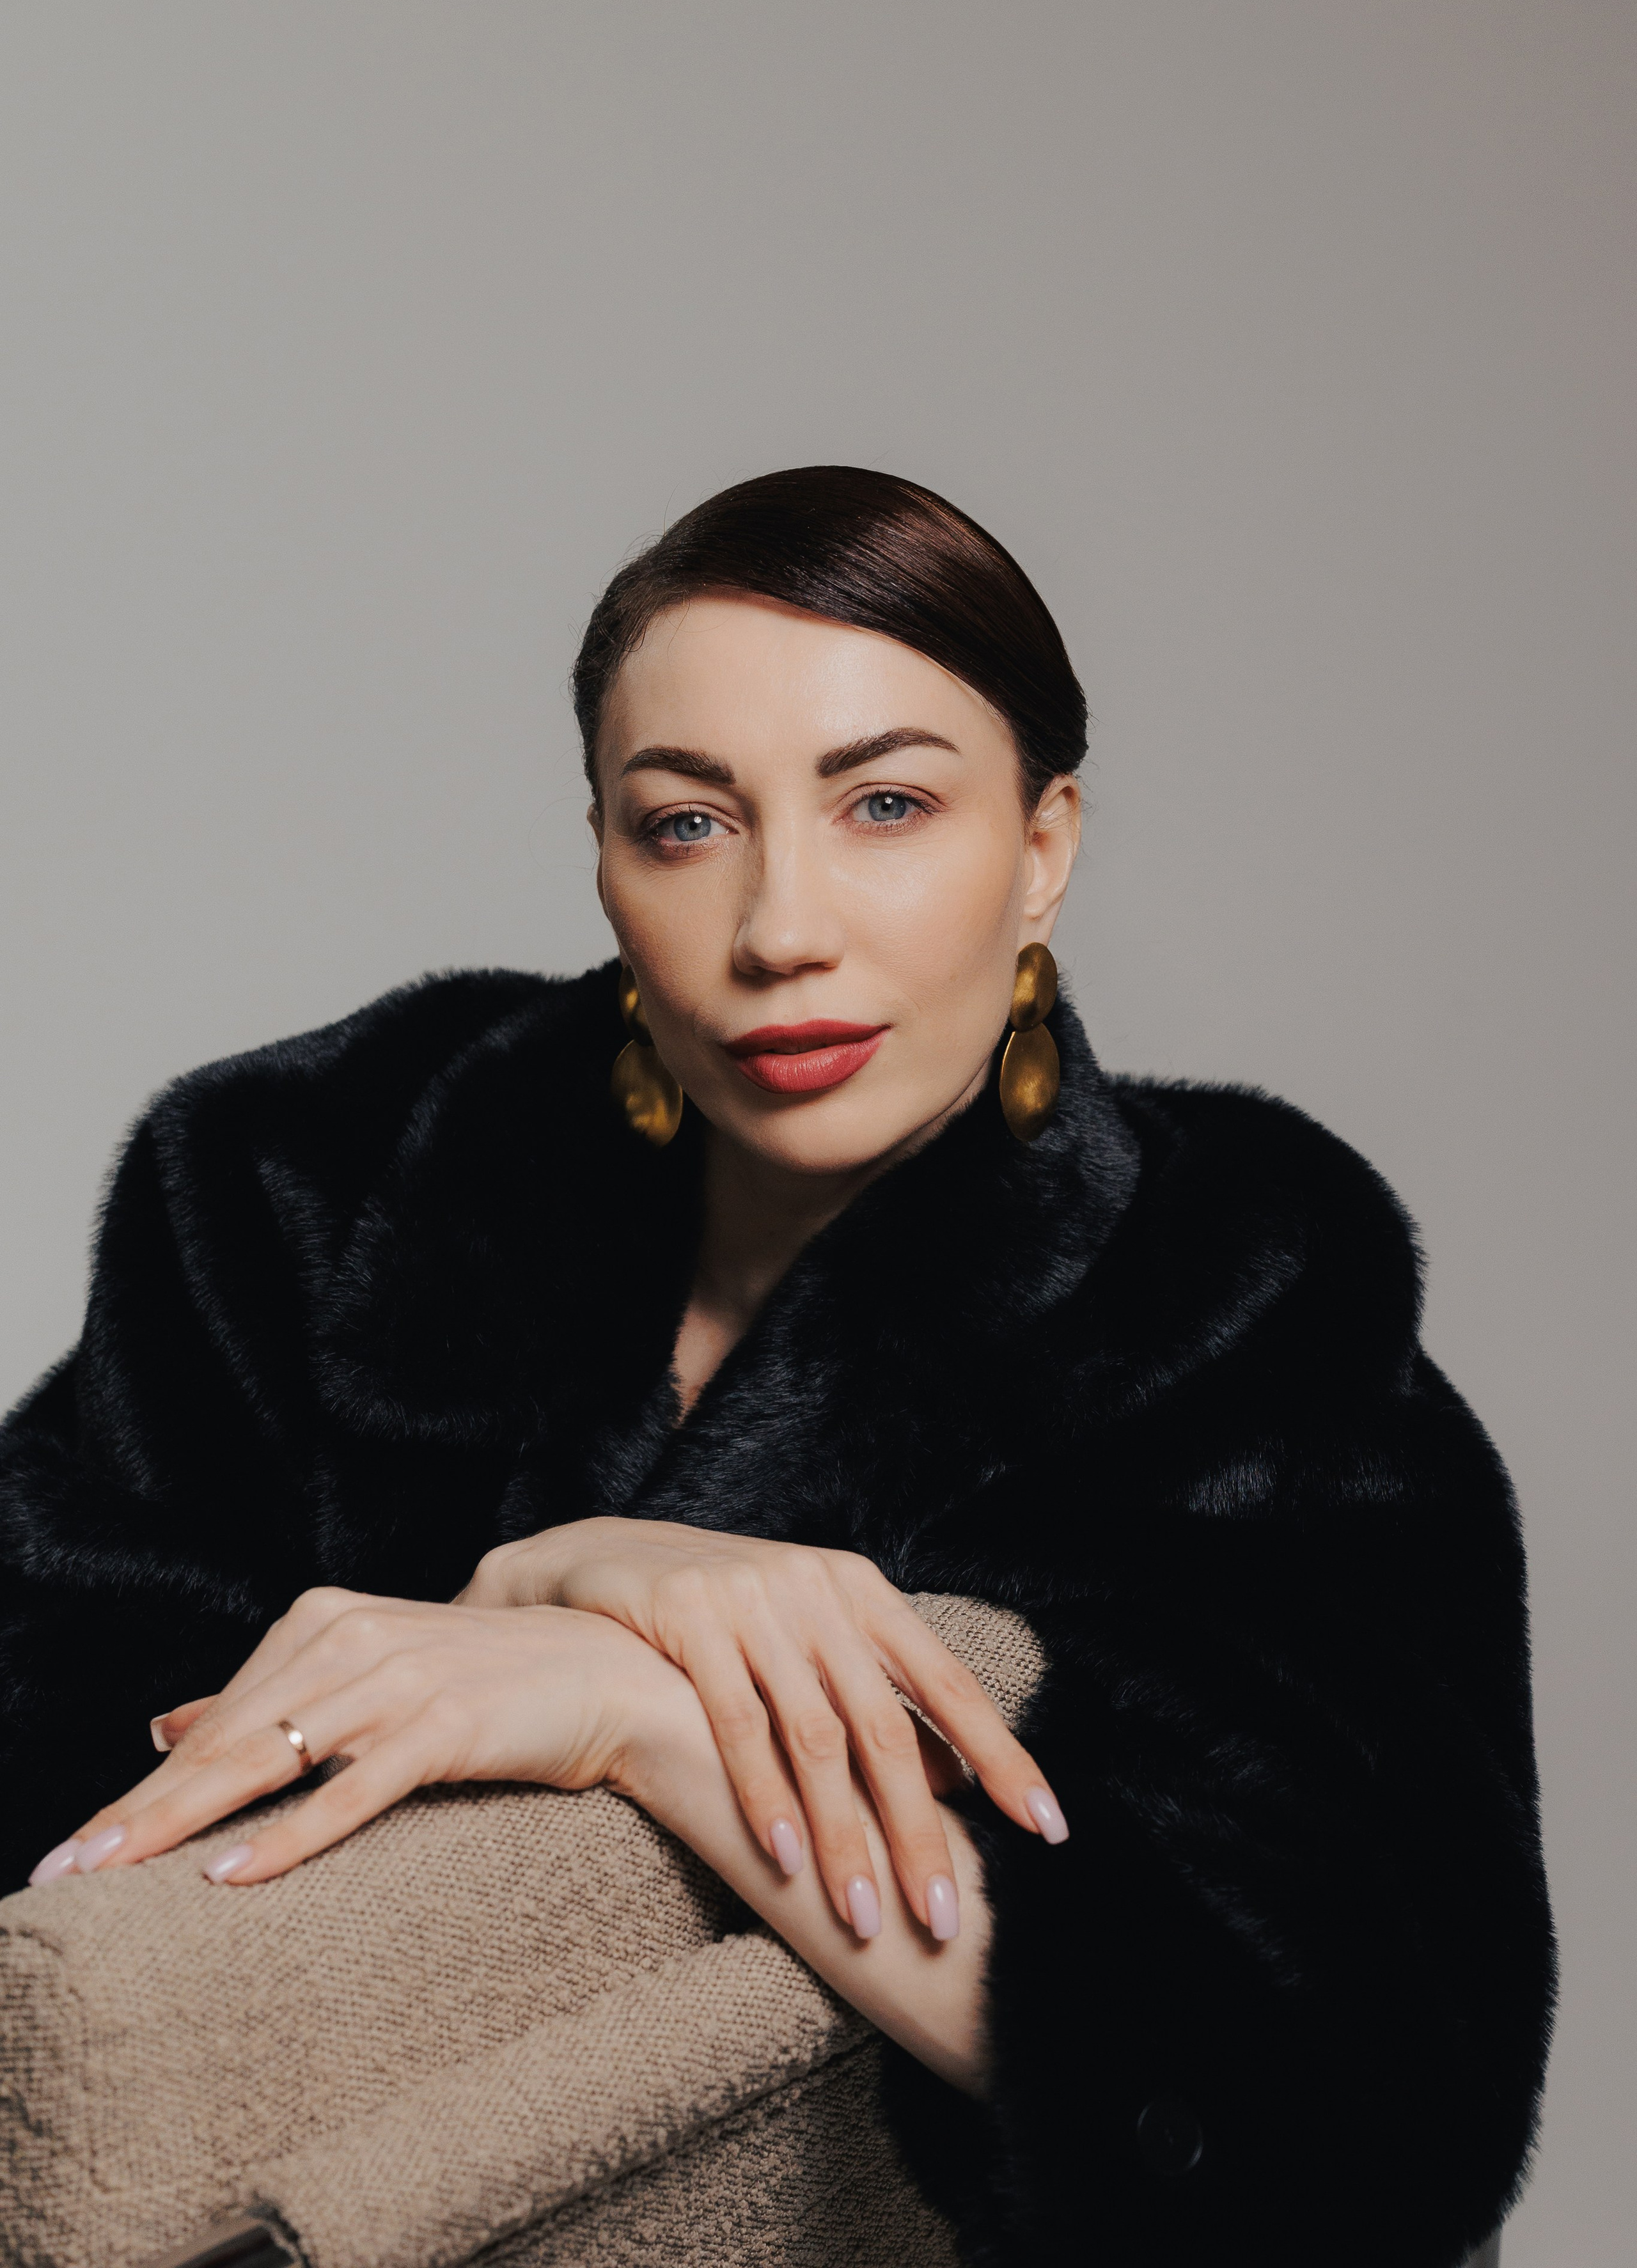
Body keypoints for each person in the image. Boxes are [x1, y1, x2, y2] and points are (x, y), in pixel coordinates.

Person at [0, 467, 1551, 2265]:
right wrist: (584, 1565)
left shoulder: (1239, 1301)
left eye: (887, 804)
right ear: (599, 850)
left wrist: (647, 1710)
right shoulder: (308, 1183)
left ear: (1043, 848)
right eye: (686, 825)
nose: (781, 929)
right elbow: (52, 1804)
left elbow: (1360, 2142)